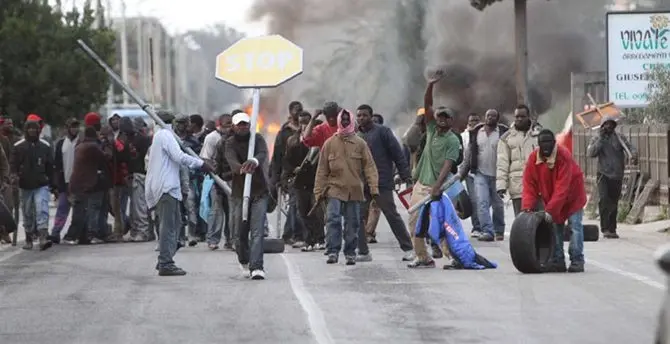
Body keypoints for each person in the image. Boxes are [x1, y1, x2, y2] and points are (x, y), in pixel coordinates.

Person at [145, 111, 213, 276]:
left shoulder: (165, 136)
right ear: (172, 123)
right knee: (169, 227)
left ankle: (164, 258)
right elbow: (179, 157)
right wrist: (201, 164)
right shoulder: (165, 135)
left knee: (176, 226)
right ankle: (166, 263)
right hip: (166, 187)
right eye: (179, 123)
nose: (182, 126)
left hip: (169, 187)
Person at [407, 73, 463, 269]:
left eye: (446, 117)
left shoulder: (453, 140)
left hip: (440, 188)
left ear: (451, 121)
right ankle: (422, 257)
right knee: (414, 223)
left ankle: (453, 257)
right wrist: (430, 86)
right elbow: (427, 105)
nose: (442, 119)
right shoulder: (430, 129)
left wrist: (437, 187)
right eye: (440, 116)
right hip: (422, 184)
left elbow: (448, 164)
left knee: (442, 225)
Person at [314, 109, 378, 266]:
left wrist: (374, 188)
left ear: (350, 121)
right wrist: (318, 191)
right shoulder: (329, 143)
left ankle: (350, 253)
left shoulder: (360, 143)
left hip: (354, 190)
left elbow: (370, 167)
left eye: (346, 119)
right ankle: (333, 251)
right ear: (337, 121)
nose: (344, 122)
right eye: (341, 119)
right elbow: (322, 170)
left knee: (352, 222)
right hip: (334, 188)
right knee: (333, 219)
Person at [521, 129, 587, 273]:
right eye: (542, 143)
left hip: (572, 196)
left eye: (549, 142)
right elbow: (529, 185)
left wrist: (550, 210)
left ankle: (577, 260)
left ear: (554, 143)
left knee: (574, 227)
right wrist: (527, 207)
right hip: (553, 198)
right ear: (538, 144)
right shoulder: (533, 159)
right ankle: (558, 260)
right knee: (555, 228)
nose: (546, 146)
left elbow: (562, 187)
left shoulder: (564, 156)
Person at [356, 104, 414, 262]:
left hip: (381, 181)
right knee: (358, 216)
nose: (361, 118)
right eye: (359, 115)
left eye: (364, 115)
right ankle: (363, 251)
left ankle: (409, 248)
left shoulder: (383, 132)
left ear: (371, 116)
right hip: (361, 183)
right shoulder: (355, 135)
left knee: (391, 215)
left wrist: (405, 174)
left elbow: (397, 154)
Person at [223, 112, 270, 280]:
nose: (242, 127)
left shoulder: (256, 139)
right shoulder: (229, 143)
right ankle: (244, 260)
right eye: (239, 124)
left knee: (257, 232)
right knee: (239, 232)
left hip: (258, 192)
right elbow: (231, 160)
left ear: (249, 125)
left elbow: (263, 153)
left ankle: (257, 266)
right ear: (234, 127)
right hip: (239, 194)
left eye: (245, 124)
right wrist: (241, 168)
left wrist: (254, 161)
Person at [459, 109, 508, 242]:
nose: (490, 118)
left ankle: (499, 230)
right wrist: (461, 175)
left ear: (497, 119)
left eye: (493, 116)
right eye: (488, 115)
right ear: (484, 118)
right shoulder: (476, 133)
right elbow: (469, 155)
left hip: (498, 174)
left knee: (498, 204)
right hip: (480, 174)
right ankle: (487, 230)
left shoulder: (503, 133)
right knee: (481, 202)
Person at [587, 116, 637, 239]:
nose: (609, 127)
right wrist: (601, 140)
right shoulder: (597, 138)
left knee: (613, 202)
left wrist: (634, 155)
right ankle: (605, 228)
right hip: (603, 174)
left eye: (611, 124)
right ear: (603, 125)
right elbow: (591, 153)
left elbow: (630, 148)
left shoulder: (619, 138)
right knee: (604, 200)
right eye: (606, 124)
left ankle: (612, 228)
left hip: (617, 175)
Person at [282, 110, 325, 252]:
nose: (304, 126)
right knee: (302, 212)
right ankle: (309, 240)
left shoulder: (319, 141)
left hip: (316, 181)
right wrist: (288, 175)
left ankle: (320, 239)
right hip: (300, 182)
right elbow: (287, 160)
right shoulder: (292, 140)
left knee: (316, 211)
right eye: (302, 123)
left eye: (307, 123)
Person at [13, 120, 54, 250]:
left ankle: (43, 237)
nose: (32, 131)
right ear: (26, 130)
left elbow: (50, 166)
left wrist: (53, 184)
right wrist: (14, 176)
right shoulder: (18, 146)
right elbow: (13, 165)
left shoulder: (45, 146)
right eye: (29, 128)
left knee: (42, 208)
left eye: (34, 128)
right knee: (27, 212)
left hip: (41, 184)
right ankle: (29, 238)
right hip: (25, 185)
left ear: (38, 130)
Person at [271, 101, 306, 247]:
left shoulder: (307, 129)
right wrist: (276, 177)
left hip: (305, 172)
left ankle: (292, 233)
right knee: (294, 204)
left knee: (300, 205)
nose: (298, 113)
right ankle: (293, 234)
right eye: (296, 110)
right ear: (290, 111)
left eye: (300, 110)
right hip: (289, 173)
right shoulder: (284, 132)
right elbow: (277, 156)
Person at [496, 104, 542, 216]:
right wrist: (501, 186)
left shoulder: (539, 135)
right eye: (517, 117)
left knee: (541, 219)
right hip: (518, 186)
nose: (519, 119)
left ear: (529, 117)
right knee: (521, 221)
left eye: (522, 116)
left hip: (539, 186)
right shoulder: (506, 138)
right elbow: (502, 163)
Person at [68, 126, 111, 244]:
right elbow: (106, 156)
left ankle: (79, 235)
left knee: (81, 209)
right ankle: (92, 234)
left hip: (77, 182)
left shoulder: (79, 146)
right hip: (89, 182)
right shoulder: (92, 146)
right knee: (94, 208)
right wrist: (106, 144)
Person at [50, 118, 81, 243]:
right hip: (65, 182)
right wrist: (56, 185)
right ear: (67, 128)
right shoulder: (61, 143)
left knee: (79, 211)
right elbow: (56, 165)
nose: (74, 129)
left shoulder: (80, 142)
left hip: (79, 183)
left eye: (76, 126)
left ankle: (75, 234)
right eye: (72, 126)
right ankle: (55, 233)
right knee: (62, 210)